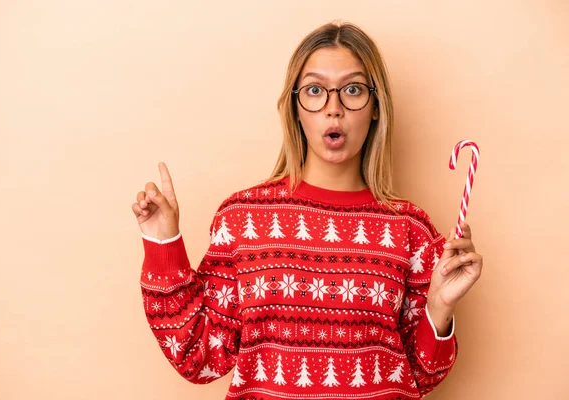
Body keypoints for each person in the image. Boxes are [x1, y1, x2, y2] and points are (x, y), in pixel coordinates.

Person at [132, 21, 483, 400]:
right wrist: (162, 240)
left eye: (352, 90)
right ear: (296, 107)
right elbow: (198, 357)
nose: (334, 109)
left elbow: (422, 374)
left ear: (376, 106)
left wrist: (439, 308)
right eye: (315, 90)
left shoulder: (410, 229)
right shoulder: (241, 218)